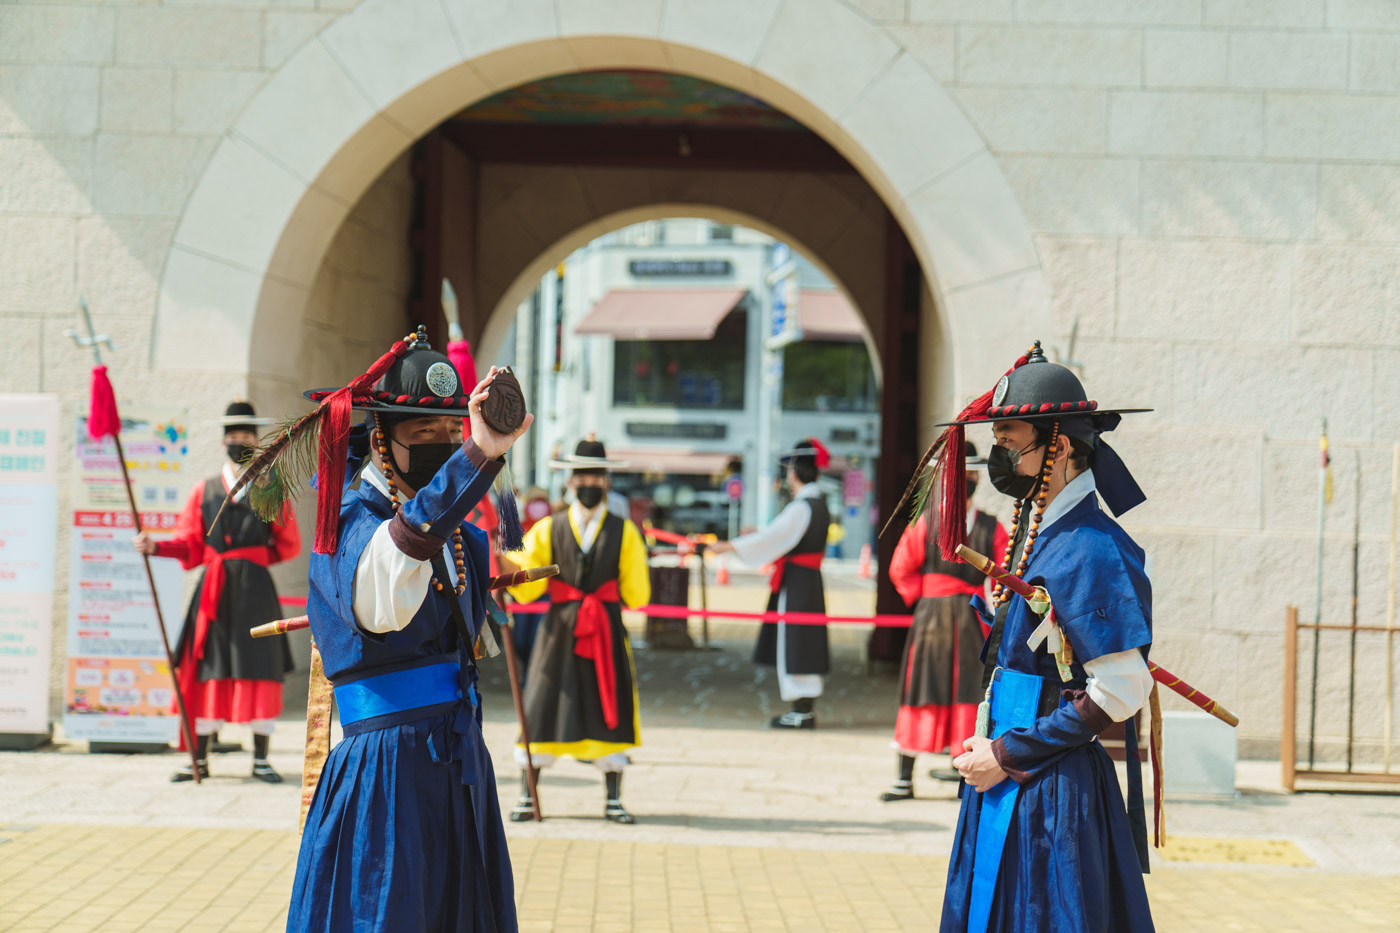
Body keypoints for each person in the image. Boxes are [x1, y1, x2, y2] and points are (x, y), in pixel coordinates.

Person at [283, 327, 530, 932]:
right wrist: (475, 458)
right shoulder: (345, 524)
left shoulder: (464, 538)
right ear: (380, 439)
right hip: (386, 773)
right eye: (426, 435)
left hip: (458, 758)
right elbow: (381, 607)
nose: (445, 446)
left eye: (454, 435)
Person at [908, 341, 1154, 933]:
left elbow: (1122, 686)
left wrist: (1008, 754)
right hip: (1006, 766)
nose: (997, 457)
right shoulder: (1038, 532)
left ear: (1060, 446)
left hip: (1048, 784)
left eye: (1009, 442)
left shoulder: (1091, 546)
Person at [133, 400, 299, 784]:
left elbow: (287, 543)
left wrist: (249, 558)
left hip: (256, 589)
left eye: (245, 434)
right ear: (223, 440)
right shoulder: (204, 490)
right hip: (214, 589)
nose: (238, 440)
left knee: (260, 667)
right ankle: (201, 758)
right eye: (232, 435)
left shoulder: (270, 485)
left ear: (256, 440)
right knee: (210, 667)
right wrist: (156, 547)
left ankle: (261, 759)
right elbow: (189, 544)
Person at [505, 438, 651, 823]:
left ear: (606, 481)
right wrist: (501, 560)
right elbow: (527, 582)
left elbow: (638, 594)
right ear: (570, 481)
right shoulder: (547, 529)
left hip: (604, 630)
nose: (589, 482)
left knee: (610, 704)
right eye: (582, 475)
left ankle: (614, 798)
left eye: (596, 475)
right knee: (542, 704)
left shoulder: (626, 532)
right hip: (557, 632)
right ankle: (527, 792)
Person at [882, 442, 1008, 799]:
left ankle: (963, 770)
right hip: (934, 617)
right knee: (921, 686)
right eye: (962, 474)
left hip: (968, 616)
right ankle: (904, 778)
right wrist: (930, 594)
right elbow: (900, 568)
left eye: (972, 474)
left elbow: (1005, 574)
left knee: (968, 688)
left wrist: (993, 605)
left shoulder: (990, 526)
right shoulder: (927, 522)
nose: (967, 480)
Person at [710, 438, 830, 729]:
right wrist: (752, 538)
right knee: (803, 639)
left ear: (795, 472)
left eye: (790, 469)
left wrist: (729, 546)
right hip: (807, 581)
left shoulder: (802, 506)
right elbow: (778, 536)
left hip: (799, 583)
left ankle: (801, 711)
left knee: (796, 640)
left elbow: (772, 539)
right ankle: (804, 709)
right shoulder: (817, 504)